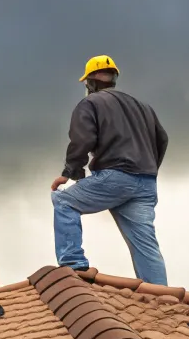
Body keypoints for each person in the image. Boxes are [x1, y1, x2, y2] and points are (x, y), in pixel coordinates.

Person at [52, 55, 169, 285]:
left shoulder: (90, 103)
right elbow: (162, 139)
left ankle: (73, 265)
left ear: (91, 82)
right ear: (113, 78)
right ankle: (161, 295)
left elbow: (82, 139)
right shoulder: (143, 107)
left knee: (64, 201)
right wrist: (148, 168)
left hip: (116, 176)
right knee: (145, 243)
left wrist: (69, 173)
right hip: (146, 182)